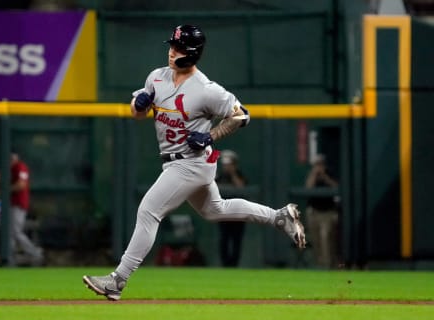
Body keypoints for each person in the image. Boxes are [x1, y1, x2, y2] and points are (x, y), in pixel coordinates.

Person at [83, 25, 306, 301]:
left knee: (149, 211)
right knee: (215, 209)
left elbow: (242, 115)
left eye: (178, 49)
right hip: (175, 162)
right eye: (171, 46)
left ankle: (118, 280)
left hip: (192, 162)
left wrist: (212, 134)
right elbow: (137, 113)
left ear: (191, 53)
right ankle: (279, 217)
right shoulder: (157, 76)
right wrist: (138, 105)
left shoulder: (206, 89)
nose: (171, 52)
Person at [305, 154, 339, 269]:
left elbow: (336, 187)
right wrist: (315, 174)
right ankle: (320, 264)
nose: (319, 167)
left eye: (320, 164)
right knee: (316, 240)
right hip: (314, 212)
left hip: (327, 212)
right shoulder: (312, 175)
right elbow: (308, 188)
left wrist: (324, 176)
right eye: (316, 164)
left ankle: (329, 265)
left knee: (326, 239)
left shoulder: (330, 173)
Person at [9, 151, 43, 265]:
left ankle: (35, 253)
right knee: (10, 232)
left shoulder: (20, 167)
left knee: (16, 231)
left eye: (12, 158)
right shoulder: (8, 169)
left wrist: (6, 189)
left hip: (19, 204)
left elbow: (21, 184)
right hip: (11, 204)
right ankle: (10, 257)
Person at [216, 150, 247, 267]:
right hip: (224, 213)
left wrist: (233, 174)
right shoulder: (219, 177)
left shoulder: (239, 175)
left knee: (236, 239)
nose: (226, 167)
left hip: (238, 213)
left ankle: (234, 264)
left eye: (229, 164)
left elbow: (241, 186)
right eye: (225, 165)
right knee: (224, 238)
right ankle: (225, 264)